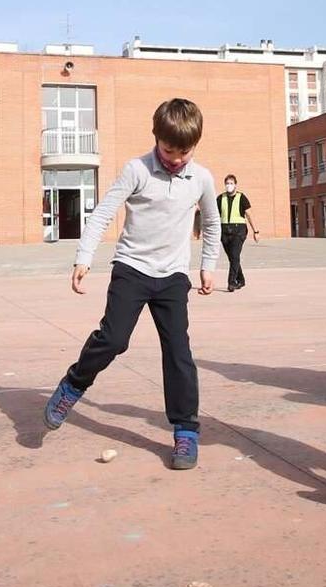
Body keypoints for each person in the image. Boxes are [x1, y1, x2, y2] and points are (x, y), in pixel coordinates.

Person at [42, 98, 220, 470]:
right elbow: (104, 212)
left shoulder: (201, 177)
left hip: (172, 276)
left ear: (195, 146)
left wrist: (208, 265)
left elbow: (213, 222)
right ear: (156, 138)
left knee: (178, 352)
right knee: (113, 339)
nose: (175, 159)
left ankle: (186, 430)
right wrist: (84, 257)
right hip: (131, 268)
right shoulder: (136, 169)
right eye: (169, 150)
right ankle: (73, 384)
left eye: (184, 152)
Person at [219, 174, 260, 292]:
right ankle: (241, 279)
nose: (229, 186)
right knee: (232, 258)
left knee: (235, 256)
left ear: (235, 185)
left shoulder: (241, 197)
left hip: (239, 231)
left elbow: (249, 214)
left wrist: (255, 231)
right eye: (227, 183)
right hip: (224, 231)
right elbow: (214, 215)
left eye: (231, 183)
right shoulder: (220, 198)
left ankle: (232, 282)